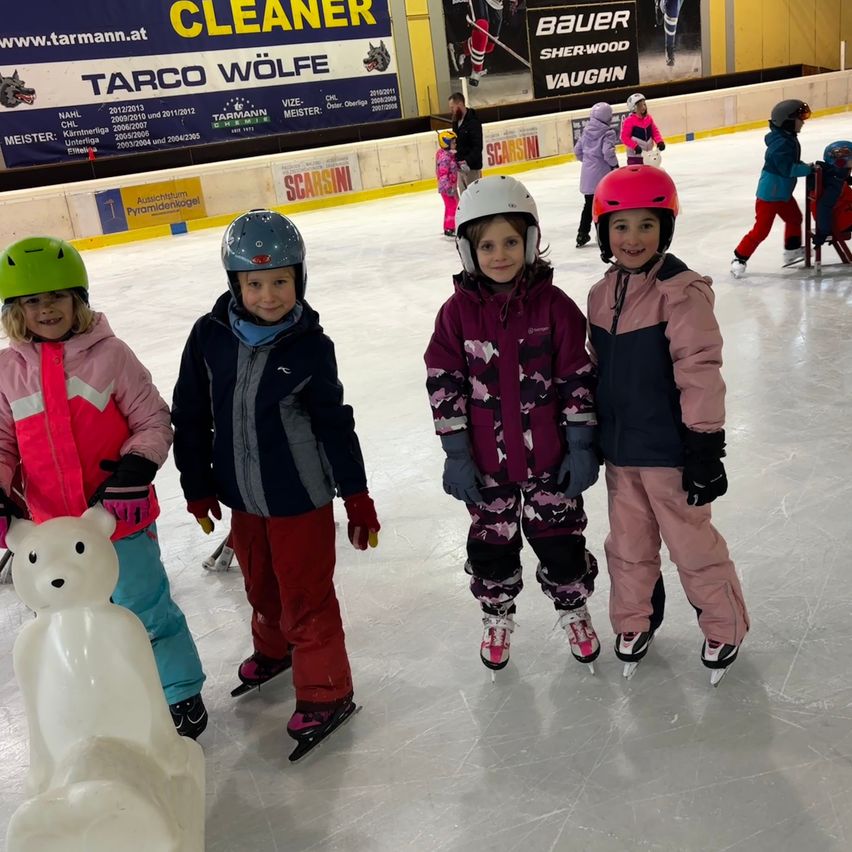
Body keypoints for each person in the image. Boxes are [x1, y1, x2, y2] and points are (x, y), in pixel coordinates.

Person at [172, 209, 380, 754]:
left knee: (305, 595)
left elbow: (336, 425)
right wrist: (198, 483)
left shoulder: (311, 347)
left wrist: (355, 496)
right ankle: (274, 649)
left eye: (281, 281)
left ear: (299, 280)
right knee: (260, 585)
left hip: (300, 499)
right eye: (255, 283)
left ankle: (326, 690)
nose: (269, 295)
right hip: (241, 495)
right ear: (235, 284)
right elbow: (190, 413)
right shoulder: (209, 337)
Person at [0, 236, 208, 736]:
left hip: (118, 523)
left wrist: (133, 473)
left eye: (57, 297)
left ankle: (180, 694)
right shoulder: (7, 372)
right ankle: (100, 699)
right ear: (15, 310)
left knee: (145, 611)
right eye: (33, 300)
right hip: (49, 535)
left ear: (79, 301)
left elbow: (154, 420)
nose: (46, 309)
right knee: (68, 622)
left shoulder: (110, 356)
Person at [424, 175, 602, 675]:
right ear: (467, 250)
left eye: (509, 241)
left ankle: (573, 608)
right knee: (492, 547)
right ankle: (497, 613)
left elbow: (576, 378)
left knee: (561, 543)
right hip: (486, 467)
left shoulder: (556, 307)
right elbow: (444, 382)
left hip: (550, 462)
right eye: (485, 244)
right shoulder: (456, 315)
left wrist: (583, 443)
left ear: (528, 242)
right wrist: (456, 453)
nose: (499, 254)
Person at [587, 165, 749, 685]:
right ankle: (634, 622)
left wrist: (705, 445)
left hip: (671, 452)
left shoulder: (680, 292)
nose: (632, 239)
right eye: (620, 226)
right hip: (621, 452)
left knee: (691, 547)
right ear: (603, 232)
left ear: (666, 229)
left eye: (646, 225)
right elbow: (594, 372)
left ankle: (724, 626)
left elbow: (700, 369)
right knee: (627, 545)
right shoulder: (599, 293)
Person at [730, 99, 812, 278]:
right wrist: (809, 169)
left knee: (795, 218)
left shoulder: (787, 138)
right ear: (788, 121)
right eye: (800, 118)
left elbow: (791, 163)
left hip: (782, 193)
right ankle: (739, 257)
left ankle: (792, 250)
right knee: (761, 230)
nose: (803, 122)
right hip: (770, 194)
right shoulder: (781, 143)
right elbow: (788, 169)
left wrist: (806, 166)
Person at [574, 101, 619, 248]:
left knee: (588, 206)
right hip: (602, 177)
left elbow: (577, 151)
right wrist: (614, 166)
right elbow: (608, 153)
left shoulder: (586, 131)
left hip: (587, 175)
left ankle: (582, 234)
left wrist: (588, 162)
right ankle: (602, 236)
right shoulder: (608, 133)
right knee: (603, 207)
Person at [814, 139, 852, 248]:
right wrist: (823, 232)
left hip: (842, 215)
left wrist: (846, 179)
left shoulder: (831, 176)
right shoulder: (834, 184)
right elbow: (824, 206)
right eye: (849, 163)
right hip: (842, 221)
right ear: (839, 163)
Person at [448, 92, 484, 195]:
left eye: (452, 107)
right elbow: (456, 142)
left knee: (474, 197)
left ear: (459, 104)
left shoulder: (473, 122)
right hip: (460, 169)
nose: (451, 111)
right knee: (464, 198)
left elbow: (478, 147)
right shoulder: (455, 120)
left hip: (472, 169)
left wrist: (467, 161)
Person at [620, 93, 666, 166]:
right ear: (633, 108)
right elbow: (624, 137)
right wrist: (635, 146)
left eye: (644, 104)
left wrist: (659, 141)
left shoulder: (648, 118)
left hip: (648, 155)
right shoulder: (629, 121)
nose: (643, 107)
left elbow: (655, 132)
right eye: (640, 105)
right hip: (635, 157)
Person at [436, 129, 460, 237]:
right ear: (446, 143)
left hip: (450, 186)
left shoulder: (448, 155)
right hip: (447, 187)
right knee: (452, 206)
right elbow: (443, 174)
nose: (455, 144)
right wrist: (448, 187)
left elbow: (452, 167)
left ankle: (448, 227)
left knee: (450, 206)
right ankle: (450, 227)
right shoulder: (444, 157)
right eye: (453, 142)